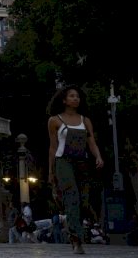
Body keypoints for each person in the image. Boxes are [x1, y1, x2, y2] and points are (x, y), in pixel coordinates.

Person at [47, 84, 104, 255]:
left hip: (82, 162)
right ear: (64, 100)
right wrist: (51, 171)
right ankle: (76, 239)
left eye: (77, 96)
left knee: (83, 200)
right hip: (63, 161)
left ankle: (77, 228)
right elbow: (52, 147)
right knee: (72, 196)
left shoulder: (85, 120)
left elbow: (91, 141)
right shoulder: (55, 120)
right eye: (72, 96)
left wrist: (98, 156)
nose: (75, 99)